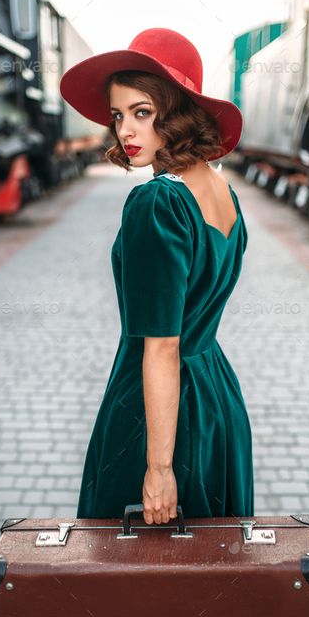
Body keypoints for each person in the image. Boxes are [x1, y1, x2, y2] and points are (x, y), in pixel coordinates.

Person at [59, 27, 254, 526]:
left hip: (157, 413)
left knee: (129, 575)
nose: (126, 130)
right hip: (215, 399)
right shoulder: (224, 194)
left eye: (142, 113)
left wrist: (158, 468)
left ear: (178, 112)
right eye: (118, 115)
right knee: (210, 568)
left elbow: (163, 345)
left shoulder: (157, 202)